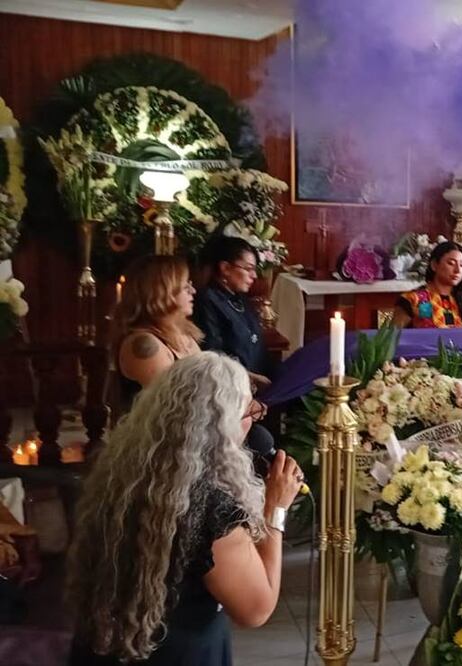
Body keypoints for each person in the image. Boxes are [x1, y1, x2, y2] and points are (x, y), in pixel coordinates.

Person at [66, 353, 305, 665]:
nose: (253, 422)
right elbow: (256, 609)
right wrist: (276, 510)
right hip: (179, 652)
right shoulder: (211, 508)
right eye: (248, 412)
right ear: (222, 424)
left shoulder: (118, 471)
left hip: (107, 643)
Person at [113, 255, 202, 408]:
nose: (193, 291)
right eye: (185, 286)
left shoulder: (185, 334)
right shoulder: (144, 342)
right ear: (162, 292)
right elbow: (171, 405)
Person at [193, 236, 273, 388]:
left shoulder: (239, 297)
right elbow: (212, 354)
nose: (254, 276)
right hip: (230, 386)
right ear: (225, 268)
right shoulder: (207, 300)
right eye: (248, 269)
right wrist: (248, 376)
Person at [392, 241, 462, 328]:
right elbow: (391, 337)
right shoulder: (413, 299)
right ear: (434, 265)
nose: (457, 270)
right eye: (451, 263)